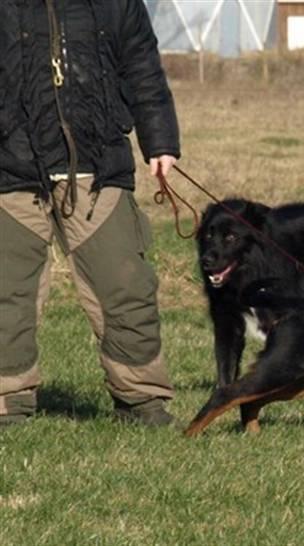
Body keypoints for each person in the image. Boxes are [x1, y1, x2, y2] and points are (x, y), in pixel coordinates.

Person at [0, 0, 180, 426]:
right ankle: (7, 402)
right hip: (9, 168)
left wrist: (161, 140)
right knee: (5, 293)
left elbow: (142, 65)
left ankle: (142, 401)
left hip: (97, 166)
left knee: (126, 286)